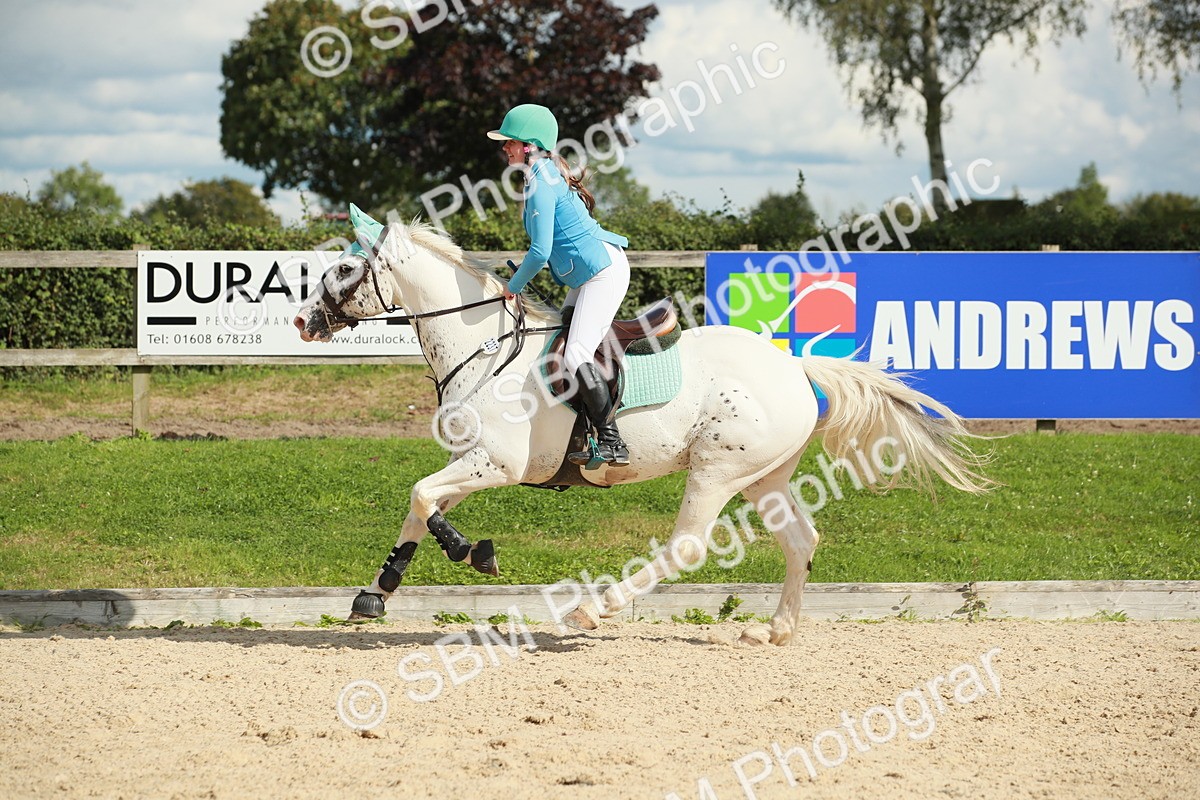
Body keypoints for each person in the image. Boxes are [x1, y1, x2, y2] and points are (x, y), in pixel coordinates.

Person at [488, 103, 631, 466]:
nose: (505, 148)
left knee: (576, 354)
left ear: (530, 146)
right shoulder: (543, 173)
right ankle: (579, 429)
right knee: (560, 337)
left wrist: (513, 286)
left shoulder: (540, 182)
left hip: (601, 272)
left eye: (511, 142)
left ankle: (614, 440)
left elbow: (539, 252)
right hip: (588, 272)